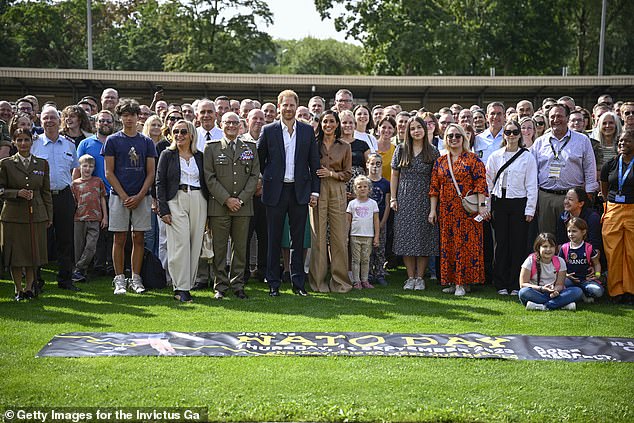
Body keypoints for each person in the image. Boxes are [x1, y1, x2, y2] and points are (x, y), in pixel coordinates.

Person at [257, 90, 320, 297]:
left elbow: (314, 163)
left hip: (299, 191)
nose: (288, 108)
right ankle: (274, 284)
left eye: (292, 105)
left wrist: (315, 192)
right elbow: (260, 159)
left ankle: (298, 284)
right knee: (273, 239)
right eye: (285, 105)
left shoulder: (307, 131)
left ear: (296, 107)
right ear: (279, 107)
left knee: (298, 240)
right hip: (276, 191)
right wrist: (268, 177)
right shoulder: (269, 130)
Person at [103, 98, 157, 295]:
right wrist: (125, 196)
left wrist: (140, 196)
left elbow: (151, 173)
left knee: (139, 237)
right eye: (125, 115)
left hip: (142, 197)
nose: (129, 119)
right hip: (119, 196)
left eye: (132, 115)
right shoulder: (113, 140)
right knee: (119, 237)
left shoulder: (147, 142)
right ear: (120, 118)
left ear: (137, 117)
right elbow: (109, 172)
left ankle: (136, 278)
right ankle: (119, 279)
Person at [429, 124, 488, 296]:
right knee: (449, 245)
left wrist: (482, 207)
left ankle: (463, 283)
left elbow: (481, 184)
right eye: (450, 136)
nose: (454, 139)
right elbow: (434, 187)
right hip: (446, 210)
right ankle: (453, 281)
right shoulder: (440, 161)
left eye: (457, 136)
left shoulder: (473, 159)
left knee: (466, 246)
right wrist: (433, 211)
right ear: (445, 139)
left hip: (467, 211)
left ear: (464, 138)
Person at [204, 112, 259, 299]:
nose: (232, 126)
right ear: (221, 124)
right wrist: (227, 199)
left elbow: (254, 176)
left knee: (240, 248)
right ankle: (220, 286)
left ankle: (238, 285)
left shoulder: (249, 147)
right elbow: (209, 178)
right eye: (228, 123)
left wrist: (241, 199)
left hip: (243, 207)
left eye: (235, 123)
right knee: (219, 248)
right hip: (219, 206)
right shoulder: (211, 148)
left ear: (241, 125)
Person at [156, 119, 208, 303]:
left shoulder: (200, 156)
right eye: (176, 131)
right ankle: (180, 287)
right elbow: (160, 183)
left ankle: (189, 283)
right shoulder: (167, 155)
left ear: (191, 134)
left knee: (195, 244)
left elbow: (207, 182)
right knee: (180, 244)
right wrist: (163, 209)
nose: (179, 135)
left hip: (198, 199)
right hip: (175, 199)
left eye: (183, 132)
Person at [31, 106, 81, 292]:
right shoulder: (34, 144)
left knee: (65, 239)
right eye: (46, 118)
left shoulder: (69, 144)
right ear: (40, 120)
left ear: (59, 120)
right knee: (39, 239)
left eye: (53, 117)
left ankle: (65, 280)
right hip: (41, 198)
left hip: (63, 196)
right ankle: (36, 280)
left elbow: (72, 169)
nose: (50, 121)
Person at [0, 128, 53, 300]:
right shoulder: (6, 164)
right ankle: (18, 289)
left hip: (36, 214)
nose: (23, 144)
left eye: (26, 140)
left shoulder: (42, 163)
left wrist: (49, 216)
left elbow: (46, 192)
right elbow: (1, 190)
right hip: (13, 215)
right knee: (16, 254)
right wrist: (15, 193)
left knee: (32, 253)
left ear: (32, 141)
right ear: (14, 143)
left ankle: (29, 288)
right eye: (19, 140)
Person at [486, 120, 537, 296]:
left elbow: (531, 185)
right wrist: (487, 207)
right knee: (501, 244)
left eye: (515, 132)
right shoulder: (495, 156)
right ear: (504, 135)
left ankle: (515, 283)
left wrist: (530, 209)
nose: (512, 136)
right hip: (499, 202)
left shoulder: (527, 157)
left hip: (519, 203)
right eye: (508, 132)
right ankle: (500, 282)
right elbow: (488, 183)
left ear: (520, 135)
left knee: (518, 244)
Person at [532, 104, 598, 235]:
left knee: (572, 236)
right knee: (546, 237)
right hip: (546, 197)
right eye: (552, 116)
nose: (556, 119)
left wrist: (589, 192)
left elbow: (590, 168)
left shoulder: (582, 140)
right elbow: (533, 173)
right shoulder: (539, 142)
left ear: (568, 118)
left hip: (572, 197)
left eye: (560, 116)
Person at [391, 116, 439, 290]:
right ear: (408, 132)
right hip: (404, 198)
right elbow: (395, 174)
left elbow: (436, 180)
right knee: (406, 238)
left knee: (423, 238)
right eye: (412, 128)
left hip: (425, 199)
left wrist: (433, 207)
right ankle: (410, 277)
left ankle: (420, 278)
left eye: (419, 127)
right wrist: (393, 198)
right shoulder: (401, 149)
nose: (416, 131)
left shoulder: (432, 151)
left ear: (425, 129)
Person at [308, 110, 352, 293]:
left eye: (331, 121)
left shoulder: (344, 146)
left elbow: (348, 174)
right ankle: (318, 283)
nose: (328, 124)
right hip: (317, 190)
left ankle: (340, 282)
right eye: (325, 121)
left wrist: (332, 174)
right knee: (317, 237)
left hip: (337, 189)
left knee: (339, 237)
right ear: (321, 124)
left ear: (337, 124)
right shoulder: (313, 144)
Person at [600, 129, 634, 303]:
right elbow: (604, 187)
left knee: (631, 253)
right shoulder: (611, 164)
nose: (622, 143)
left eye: (627, 141)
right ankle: (615, 292)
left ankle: (631, 291)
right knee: (613, 252)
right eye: (620, 141)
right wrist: (609, 203)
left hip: (632, 211)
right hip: (613, 209)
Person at [518, 233, 582, 311]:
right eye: (545, 246)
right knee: (524, 292)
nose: (548, 249)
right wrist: (542, 288)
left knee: (577, 291)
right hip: (537, 292)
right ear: (538, 248)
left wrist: (555, 291)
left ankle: (542, 306)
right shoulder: (530, 260)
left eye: (551, 246)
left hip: (553, 294)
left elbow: (560, 284)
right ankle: (561, 305)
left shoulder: (560, 261)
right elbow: (523, 284)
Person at [71, 154, 108, 283]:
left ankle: (78, 268)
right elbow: (73, 203)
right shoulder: (74, 184)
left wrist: (105, 217)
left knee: (91, 246)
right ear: (79, 167)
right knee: (79, 247)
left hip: (95, 218)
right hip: (79, 219)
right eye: (85, 166)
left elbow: (102, 198)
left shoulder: (98, 181)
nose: (87, 169)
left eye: (90, 166)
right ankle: (81, 273)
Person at [559, 217, 604, 303]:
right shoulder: (564, 248)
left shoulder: (589, 248)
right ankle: (580, 294)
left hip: (585, 280)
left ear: (583, 232)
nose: (571, 234)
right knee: (558, 284)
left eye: (574, 231)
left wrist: (597, 275)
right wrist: (567, 275)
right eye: (569, 231)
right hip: (569, 280)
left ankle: (580, 292)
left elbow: (596, 263)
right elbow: (558, 266)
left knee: (598, 291)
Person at [347, 175, 379, 289]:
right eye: (359, 187)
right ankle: (356, 281)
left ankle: (365, 280)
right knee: (356, 259)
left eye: (365, 186)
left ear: (369, 189)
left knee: (365, 259)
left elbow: (376, 222)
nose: (362, 189)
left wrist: (376, 237)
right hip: (355, 235)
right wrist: (347, 235)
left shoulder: (373, 204)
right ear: (355, 189)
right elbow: (348, 221)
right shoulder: (352, 204)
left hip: (368, 236)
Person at [555, 187, 602, 256]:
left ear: (581, 203)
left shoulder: (592, 218)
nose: (566, 202)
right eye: (565, 198)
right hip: (569, 256)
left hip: (589, 257)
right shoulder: (563, 217)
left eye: (570, 199)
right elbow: (560, 242)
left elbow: (596, 246)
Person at [366, 153, 390, 286]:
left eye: (378, 164)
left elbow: (387, 204)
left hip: (380, 221)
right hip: (366, 222)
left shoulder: (385, 183)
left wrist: (382, 222)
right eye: (372, 163)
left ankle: (380, 273)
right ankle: (368, 274)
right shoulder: (364, 182)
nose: (375, 167)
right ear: (367, 164)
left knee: (380, 248)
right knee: (367, 249)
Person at [339, 110, 369, 200]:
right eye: (344, 122)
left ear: (355, 125)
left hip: (359, 187)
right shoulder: (335, 144)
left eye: (351, 122)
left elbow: (368, 167)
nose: (348, 125)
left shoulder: (363, 144)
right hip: (340, 186)